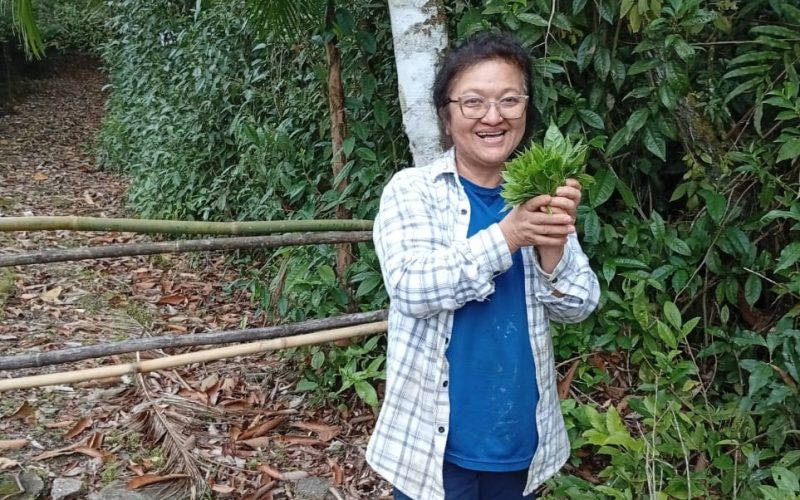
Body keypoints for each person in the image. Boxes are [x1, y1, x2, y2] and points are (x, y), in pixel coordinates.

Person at [366, 31, 600, 500]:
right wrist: (509, 236)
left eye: (509, 100)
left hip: (520, 439)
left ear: (526, 109)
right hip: (432, 446)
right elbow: (411, 287)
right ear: (446, 115)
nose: (493, 117)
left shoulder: (540, 192)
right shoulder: (414, 190)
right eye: (473, 102)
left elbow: (578, 306)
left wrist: (552, 245)